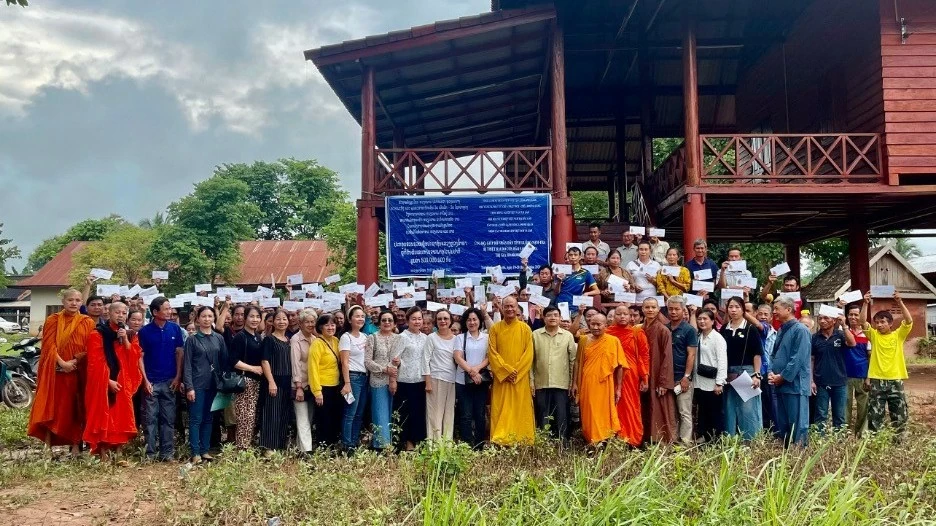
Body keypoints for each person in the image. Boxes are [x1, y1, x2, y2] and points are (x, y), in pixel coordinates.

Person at [28, 288, 95, 455]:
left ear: (81, 303)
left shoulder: (87, 322)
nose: (74, 303)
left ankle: (75, 446)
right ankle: (48, 446)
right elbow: (48, 346)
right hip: (56, 372)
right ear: (63, 302)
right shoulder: (53, 320)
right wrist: (62, 363)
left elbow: (90, 347)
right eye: (70, 300)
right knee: (53, 408)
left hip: (77, 371)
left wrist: (75, 360)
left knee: (76, 408)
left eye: (77, 300)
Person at [83, 302, 143, 460]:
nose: (121, 315)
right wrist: (107, 381)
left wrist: (126, 340)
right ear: (108, 313)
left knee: (121, 417)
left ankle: (119, 451)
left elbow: (135, 356)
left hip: (123, 382)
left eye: (124, 313)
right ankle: (103, 452)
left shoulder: (129, 335)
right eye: (117, 312)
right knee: (104, 416)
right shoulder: (98, 334)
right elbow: (95, 362)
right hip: (104, 383)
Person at [138, 297, 185, 461]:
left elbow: (179, 353)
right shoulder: (144, 331)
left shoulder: (175, 329)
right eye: (165, 309)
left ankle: (167, 453)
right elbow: (140, 356)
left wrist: (178, 376)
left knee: (168, 420)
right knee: (150, 420)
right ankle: (150, 454)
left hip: (170, 381)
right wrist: (145, 380)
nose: (169, 311)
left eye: (170, 308)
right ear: (155, 312)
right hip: (151, 381)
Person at [860, 290, 912, 436]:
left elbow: (908, 321)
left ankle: (899, 444)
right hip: (877, 381)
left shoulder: (898, 335)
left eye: (883, 322)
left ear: (890, 323)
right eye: (877, 322)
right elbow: (862, 321)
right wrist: (865, 303)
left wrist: (899, 302)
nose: (879, 325)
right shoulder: (874, 336)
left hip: (896, 380)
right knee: (875, 416)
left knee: (900, 416)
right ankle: (875, 444)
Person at [571, 313, 627, 446]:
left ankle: (602, 440)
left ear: (606, 326)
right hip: (587, 383)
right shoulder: (584, 340)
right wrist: (574, 383)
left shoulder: (613, 341)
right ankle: (591, 439)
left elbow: (620, 365)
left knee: (604, 413)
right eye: (592, 324)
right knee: (589, 412)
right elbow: (578, 362)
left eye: (598, 324)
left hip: (605, 384)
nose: (595, 327)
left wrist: (618, 388)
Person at [487, 296, 535, 445]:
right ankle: (500, 439)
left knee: (520, 409)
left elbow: (529, 354)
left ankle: (522, 439)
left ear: (517, 308)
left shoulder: (525, 328)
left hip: (519, 379)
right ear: (501, 308)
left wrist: (515, 373)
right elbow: (492, 353)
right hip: (502, 378)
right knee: (500, 409)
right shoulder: (495, 328)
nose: (509, 309)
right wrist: (506, 371)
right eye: (506, 306)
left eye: (512, 306)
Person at [183, 306, 226, 464]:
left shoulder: (218, 338)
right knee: (196, 419)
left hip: (213, 384)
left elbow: (223, 361)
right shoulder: (192, 339)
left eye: (210, 316)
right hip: (197, 384)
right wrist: (189, 386)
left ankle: (205, 450)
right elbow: (187, 365)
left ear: (214, 318)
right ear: (198, 319)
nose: (207, 319)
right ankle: (195, 452)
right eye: (204, 316)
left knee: (209, 418)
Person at [768, 296, 812, 447]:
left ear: (788, 310)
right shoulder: (781, 329)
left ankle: (799, 454)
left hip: (795, 385)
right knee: (784, 423)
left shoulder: (801, 330)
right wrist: (772, 373)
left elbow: (797, 359)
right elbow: (775, 354)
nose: (774, 312)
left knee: (798, 424)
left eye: (776, 309)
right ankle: (787, 455)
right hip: (780, 384)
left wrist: (783, 376)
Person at [718, 296, 763, 440]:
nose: (733, 310)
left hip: (747, 372)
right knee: (729, 409)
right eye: (731, 307)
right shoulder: (724, 328)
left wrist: (756, 375)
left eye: (737, 307)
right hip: (729, 373)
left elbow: (757, 354)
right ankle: (730, 440)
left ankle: (751, 442)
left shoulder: (751, 329)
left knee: (748, 409)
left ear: (743, 309)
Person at [531, 306, 577, 441]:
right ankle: (544, 443)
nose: (552, 318)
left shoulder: (567, 336)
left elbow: (573, 362)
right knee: (542, 414)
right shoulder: (535, 335)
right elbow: (530, 361)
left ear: (560, 318)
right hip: (541, 382)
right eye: (549, 315)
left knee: (562, 415)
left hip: (561, 383)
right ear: (543, 318)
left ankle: (563, 443)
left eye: (556, 315)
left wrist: (571, 383)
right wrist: (531, 381)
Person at [606, 305, 648, 447]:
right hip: (610, 374)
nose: (622, 317)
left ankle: (632, 438)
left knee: (631, 406)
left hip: (630, 375)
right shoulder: (607, 333)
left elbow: (644, 356)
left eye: (626, 314)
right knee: (612, 404)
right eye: (619, 314)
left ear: (631, 317)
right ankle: (614, 435)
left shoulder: (637, 333)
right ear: (613, 316)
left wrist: (645, 377)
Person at [392, 307, 430, 451]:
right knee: (405, 413)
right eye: (413, 319)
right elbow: (394, 359)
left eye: (419, 318)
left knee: (418, 413)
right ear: (408, 321)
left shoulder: (425, 337)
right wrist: (393, 379)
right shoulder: (402, 337)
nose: (417, 321)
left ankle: (418, 441)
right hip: (404, 381)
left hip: (420, 381)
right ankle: (407, 444)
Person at [811, 312, 855, 433]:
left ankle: (839, 442)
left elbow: (852, 343)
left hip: (839, 382)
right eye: (820, 318)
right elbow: (812, 359)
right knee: (820, 415)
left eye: (826, 318)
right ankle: (819, 441)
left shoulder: (841, 335)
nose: (822, 321)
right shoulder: (815, 338)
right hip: (821, 382)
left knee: (840, 416)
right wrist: (812, 381)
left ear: (834, 321)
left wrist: (845, 325)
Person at [453, 308, 490, 449]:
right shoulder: (460, 338)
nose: (472, 322)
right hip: (463, 381)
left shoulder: (486, 337)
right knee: (465, 415)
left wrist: (477, 370)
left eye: (474, 319)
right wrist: (471, 371)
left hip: (481, 380)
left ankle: (479, 445)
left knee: (480, 414)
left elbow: (489, 357)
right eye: (469, 319)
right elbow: (457, 357)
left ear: (480, 321)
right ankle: (466, 446)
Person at [364, 310, 401, 450]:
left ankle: (392, 444)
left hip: (395, 381)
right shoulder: (372, 338)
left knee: (393, 413)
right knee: (380, 414)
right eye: (384, 320)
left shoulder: (398, 339)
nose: (387, 323)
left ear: (394, 323)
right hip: (378, 380)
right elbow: (367, 361)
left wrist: (393, 376)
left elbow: (399, 361)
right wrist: (384, 369)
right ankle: (381, 447)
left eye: (390, 320)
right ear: (379, 322)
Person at [641, 297, 676, 443]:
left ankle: (661, 439)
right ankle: (644, 437)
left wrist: (663, 382)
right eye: (647, 307)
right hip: (643, 374)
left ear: (658, 309)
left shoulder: (663, 330)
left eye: (653, 307)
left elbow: (667, 357)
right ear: (642, 309)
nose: (650, 310)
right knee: (644, 406)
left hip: (657, 375)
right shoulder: (640, 329)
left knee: (659, 407)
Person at [259, 309, 293, 453]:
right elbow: (265, 361)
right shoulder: (269, 339)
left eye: (284, 319)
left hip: (287, 382)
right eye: (278, 319)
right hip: (274, 381)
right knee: (271, 414)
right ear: (273, 322)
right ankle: (268, 447)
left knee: (284, 414)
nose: (281, 322)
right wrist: (271, 382)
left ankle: (279, 445)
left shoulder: (289, 340)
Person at [230, 306, 264, 450]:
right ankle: (242, 448)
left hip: (257, 382)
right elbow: (233, 361)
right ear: (245, 318)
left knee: (252, 416)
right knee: (245, 416)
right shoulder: (240, 337)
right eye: (251, 316)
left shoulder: (257, 336)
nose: (254, 319)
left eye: (257, 316)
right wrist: (253, 368)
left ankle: (248, 445)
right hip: (245, 381)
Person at [665, 296, 698, 446]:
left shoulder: (689, 330)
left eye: (677, 309)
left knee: (684, 412)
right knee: (671, 412)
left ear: (683, 310)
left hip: (682, 378)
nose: (673, 312)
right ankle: (672, 439)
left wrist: (686, 376)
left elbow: (691, 354)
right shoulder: (664, 328)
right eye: (670, 309)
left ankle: (685, 442)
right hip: (667, 378)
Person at [309, 314, 342, 448]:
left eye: (333, 324)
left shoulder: (336, 341)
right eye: (327, 325)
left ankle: (332, 444)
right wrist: (317, 392)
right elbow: (313, 368)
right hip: (322, 386)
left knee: (334, 416)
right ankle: (323, 446)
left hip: (336, 386)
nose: (330, 327)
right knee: (323, 418)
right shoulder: (317, 343)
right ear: (320, 327)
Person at [694, 309, 727, 443]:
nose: (702, 321)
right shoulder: (698, 336)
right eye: (699, 319)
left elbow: (722, 360)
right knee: (703, 411)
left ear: (713, 321)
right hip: (699, 381)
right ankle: (704, 438)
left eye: (705, 319)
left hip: (713, 382)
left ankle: (715, 440)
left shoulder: (717, 338)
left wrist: (719, 382)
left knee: (714, 413)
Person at [339, 305, 369, 452]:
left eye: (362, 316)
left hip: (365, 377)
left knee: (359, 413)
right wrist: (347, 383)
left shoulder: (365, 337)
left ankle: (354, 442)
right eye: (357, 316)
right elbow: (344, 362)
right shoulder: (346, 337)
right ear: (350, 319)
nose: (360, 319)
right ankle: (346, 445)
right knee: (349, 413)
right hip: (352, 377)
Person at [425, 309, 458, 440]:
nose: (443, 321)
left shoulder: (457, 339)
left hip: (452, 380)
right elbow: (425, 360)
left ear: (451, 321)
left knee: (449, 414)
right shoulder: (431, 338)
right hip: (435, 379)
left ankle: (447, 445)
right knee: (435, 415)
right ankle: (434, 446)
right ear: (436, 322)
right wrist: (427, 382)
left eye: (445, 318)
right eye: (439, 319)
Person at [290, 308, 318, 454]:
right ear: (300, 323)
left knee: (310, 417)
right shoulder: (295, 339)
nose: (310, 324)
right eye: (307, 321)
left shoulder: (315, 339)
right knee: (302, 418)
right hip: (299, 384)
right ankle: (307, 451)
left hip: (312, 385)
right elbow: (295, 364)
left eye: (312, 322)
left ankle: (300, 448)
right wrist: (298, 386)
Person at [844, 303, 871, 436]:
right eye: (851, 314)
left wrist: (868, 377)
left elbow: (871, 357)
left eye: (856, 314)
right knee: (845, 406)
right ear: (847, 316)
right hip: (845, 375)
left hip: (862, 374)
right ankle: (844, 432)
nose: (853, 317)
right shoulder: (843, 331)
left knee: (863, 406)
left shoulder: (868, 334)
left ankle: (861, 433)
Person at [555, 247, 599, 316]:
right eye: (571, 255)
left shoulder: (585, 273)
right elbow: (556, 292)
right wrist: (559, 282)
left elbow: (597, 291)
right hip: (562, 304)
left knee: (582, 326)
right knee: (564, 325)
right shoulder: (561, 271)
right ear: (568, 257)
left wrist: (586, 293)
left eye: (575, 255)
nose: (573, 257)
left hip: (576, 306)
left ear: (580, 257)